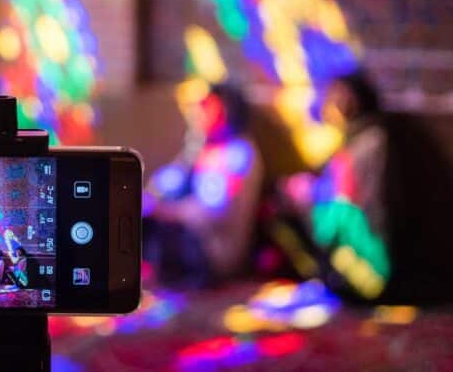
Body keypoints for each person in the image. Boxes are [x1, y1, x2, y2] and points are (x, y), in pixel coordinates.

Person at [274, 70, 392, 301]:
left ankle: (329, 278)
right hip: (354, 232)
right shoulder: (358, 140)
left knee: (283, 207)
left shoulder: (369, 143)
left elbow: (343, 209)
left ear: (352, 101)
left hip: (365, 255)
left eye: (337, 97)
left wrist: (306, 198)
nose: (329, 105)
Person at [143, 83, 264, 287]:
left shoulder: (237, 153)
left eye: (205, 106)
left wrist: (165, 210)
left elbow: (213, 211)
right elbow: (163, 184)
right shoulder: (200, 148)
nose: (197, 113)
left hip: (214, 251)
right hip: (189, 237)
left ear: (226, 109)